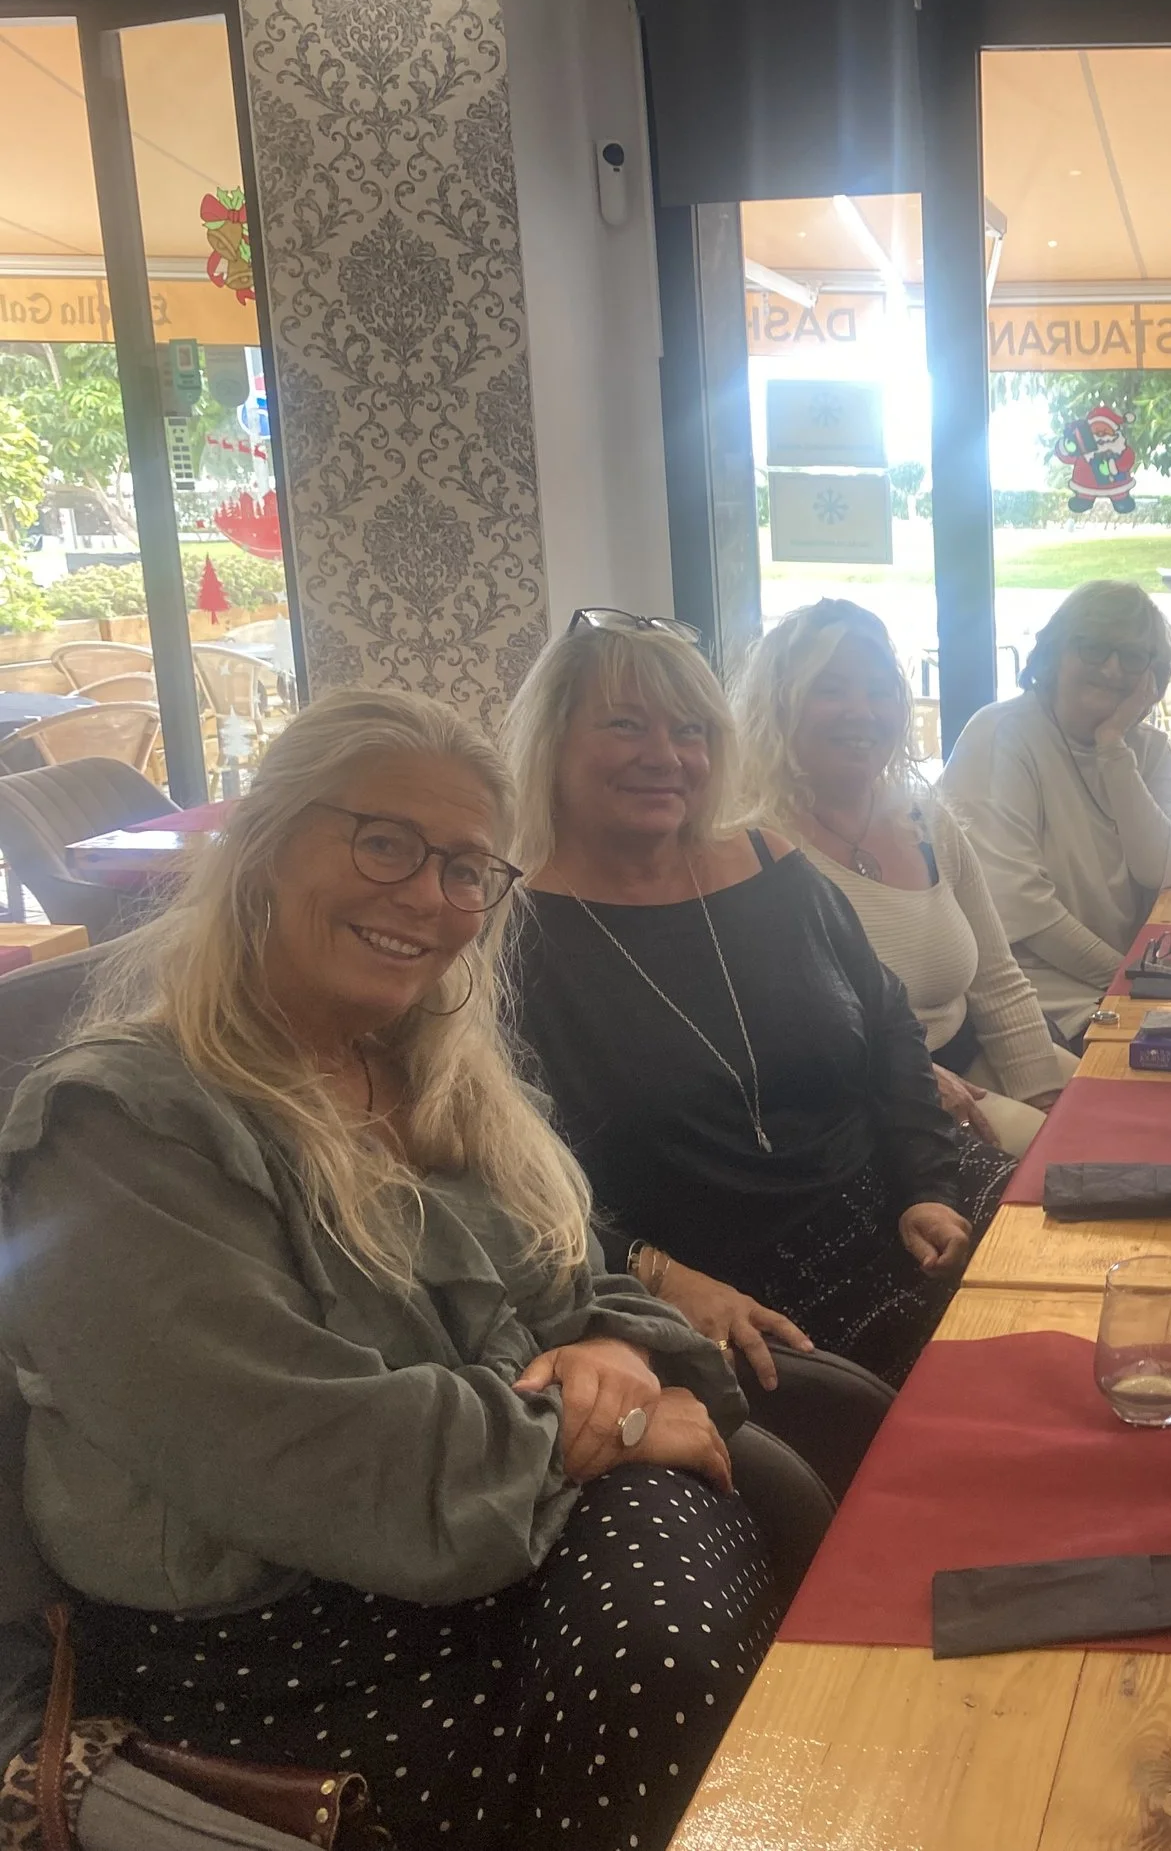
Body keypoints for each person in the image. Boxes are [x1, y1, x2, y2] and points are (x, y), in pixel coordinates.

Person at [0, 689, 771, 1851]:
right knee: (681, 1669)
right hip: (281, 1673)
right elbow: (305, 1454)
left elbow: (574, 1281)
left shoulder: (428, 1077)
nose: (428, 896)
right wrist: (606, 1426)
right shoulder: (119, 1127)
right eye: (384, 842)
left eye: (466, 869)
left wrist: (616, 1346)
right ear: (265, 844)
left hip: (501, 1570)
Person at [506, 612, 1005, 1388]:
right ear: (554, 741)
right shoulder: (508, 934)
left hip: (894, 1206)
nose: (666, 755)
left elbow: (889, 1026)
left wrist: (928, 1188)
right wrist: (655, 1274)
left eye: (691, 730)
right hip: (719, 1286)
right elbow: (507, 1177)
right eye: (626, 724)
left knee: (1084, 1272)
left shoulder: (769, 860)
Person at [732, 599, 1073, 1157]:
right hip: (865, 1100)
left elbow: (997, 980)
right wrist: (913, 1078)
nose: (862, 712)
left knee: (1107, 1118)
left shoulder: (927, 820)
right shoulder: (746, 846)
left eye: (879, 690)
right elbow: (774, 1032)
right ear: (777, 707)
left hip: (967, 1055)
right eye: (830, 690)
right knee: (1060, 1168)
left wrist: (1042, 1093)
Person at [939, 580, 1171, 1036]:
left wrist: (1112, 747)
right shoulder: (1002, 736)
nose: (1112, 669)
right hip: (1035, 1000)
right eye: (1093, 648)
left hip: (1113, 986)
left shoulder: (1146, 749)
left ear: (1152, 677)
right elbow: (1025, 914)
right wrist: (1130, 981)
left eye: (1132, 656)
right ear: (1055, 653)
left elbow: (1160, 869)